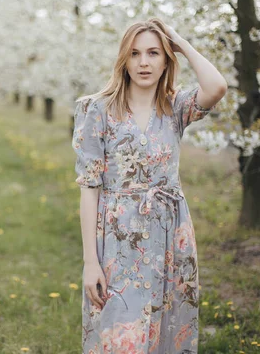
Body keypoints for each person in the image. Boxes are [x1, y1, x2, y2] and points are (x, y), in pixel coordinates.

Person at [71, 18, 227, 353]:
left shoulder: (176, 107)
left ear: (167, 59)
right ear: (123, 60)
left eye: (154, 53)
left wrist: (179, 41)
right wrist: (90, 261)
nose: (144, 62)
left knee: (168, 326)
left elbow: (216, 87)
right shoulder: (97, 109)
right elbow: (89, 187)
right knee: (117, 329)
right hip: (116, 238)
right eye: (135, 53)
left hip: (170, 235)